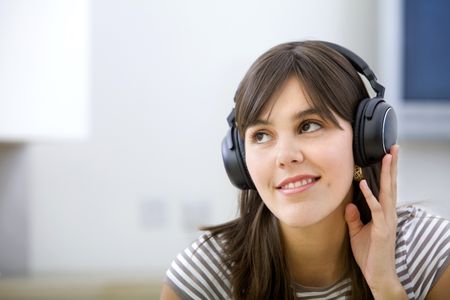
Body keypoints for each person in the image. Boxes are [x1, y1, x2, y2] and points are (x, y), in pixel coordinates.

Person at [160, 40, 450, 299]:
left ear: (366, 139)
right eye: (261, 135)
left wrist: (385, 287)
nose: (285, 157)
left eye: (309, 125)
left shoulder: (429, 255)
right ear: (240, 160)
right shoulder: (205, 278)